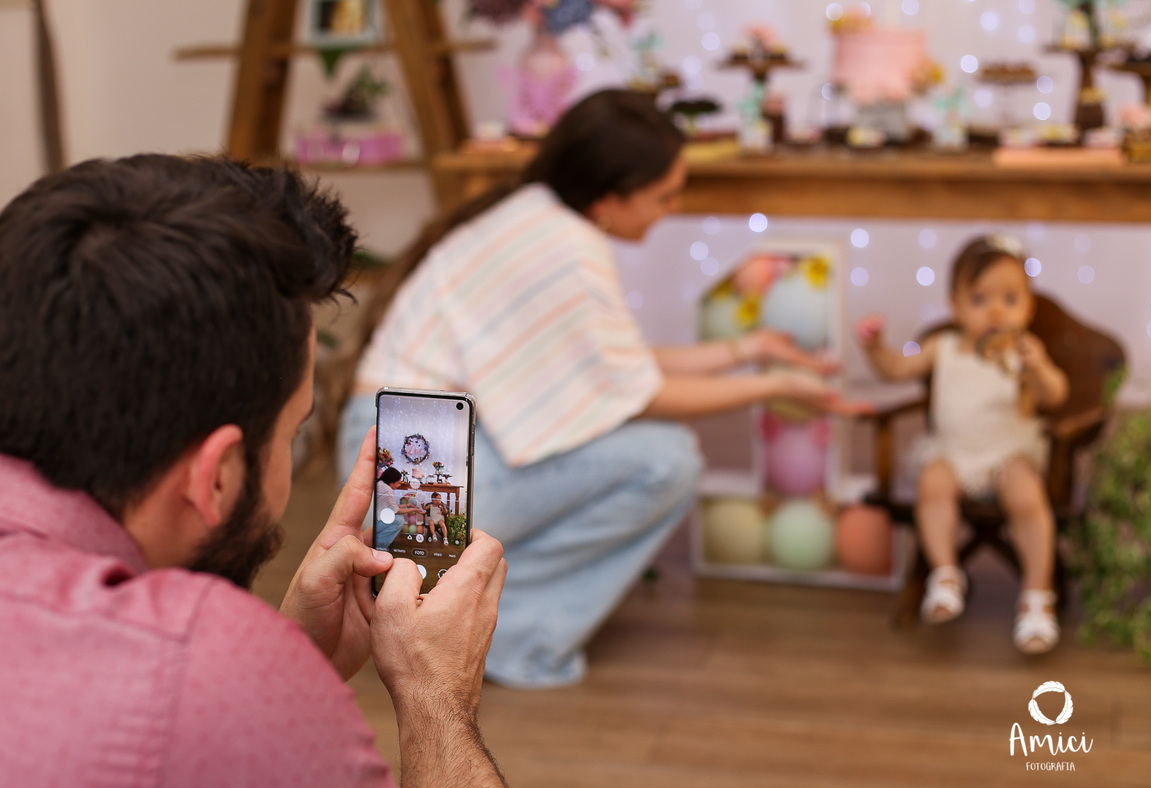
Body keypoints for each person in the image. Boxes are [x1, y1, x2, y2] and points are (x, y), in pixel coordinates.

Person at [0, 155, 543, 788]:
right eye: (290, 432)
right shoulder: (197, 671)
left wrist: (288, 654)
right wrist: (433, 695)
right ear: (217, 475)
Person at [325, 89, 865, 688]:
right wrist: (772, 384)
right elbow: (638, 393)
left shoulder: (535, 216)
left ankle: (463, 616)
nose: (672, 209)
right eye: (664, 196)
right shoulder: (566, 249)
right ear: (609, 200)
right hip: (410, 481)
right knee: (667, 461)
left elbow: (614, 369)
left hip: (392, 458)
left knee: (658, 450)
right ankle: (498, 634)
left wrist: (750, 350)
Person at [855, 235, 1069, 654]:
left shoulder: (1023, 353)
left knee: (1027, 497)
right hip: (953, 453)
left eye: (1010, 299)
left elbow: (1055, 395)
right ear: (954, 304)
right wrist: (875, 347)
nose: (995, 310)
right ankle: (946, 573)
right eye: (979, 298)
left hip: (1009, 454)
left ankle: (1037, 597)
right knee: (932, 485)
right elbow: (897, 368)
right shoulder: (944, 347)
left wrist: (1038, 368)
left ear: (1029, 307)